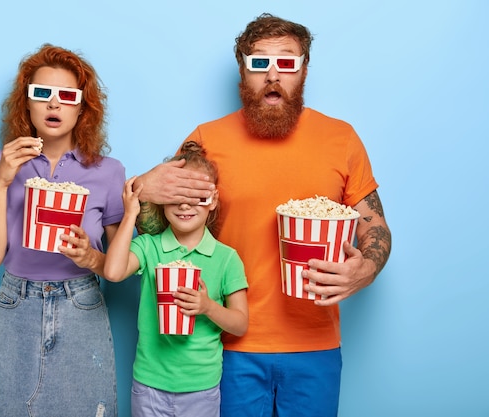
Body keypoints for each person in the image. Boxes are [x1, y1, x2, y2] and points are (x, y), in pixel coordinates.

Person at [133, 13, 392, 417]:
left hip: (316, 344)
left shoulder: (340, 139)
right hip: (229, 344)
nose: (273, 76)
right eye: (259, 63)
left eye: (287, 63)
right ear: (242, 69)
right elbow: (158, 227)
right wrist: (141, 188)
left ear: (304, 69)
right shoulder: (205, 140)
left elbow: (374, 224)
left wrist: (367, 268)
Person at [0, 44, 124, 417]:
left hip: (81, 303)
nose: (53, 104)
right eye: (42, 94)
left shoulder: (108, 171)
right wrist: (3, 183)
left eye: (67, 96)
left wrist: (91, 256)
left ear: (82, 107)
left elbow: (121, 266)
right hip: (15, 303)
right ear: (26, 103)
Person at [102, 141, 249, 417]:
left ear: (213, 199)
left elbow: (240, 324)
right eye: (176, 194)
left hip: (201, 388)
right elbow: (112, 271)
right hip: (149, 385)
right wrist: (131, 212)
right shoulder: (149, 247)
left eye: (196, 195)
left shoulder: (227, 258)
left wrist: (207, 307)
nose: (185, 204)